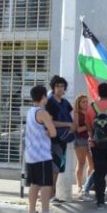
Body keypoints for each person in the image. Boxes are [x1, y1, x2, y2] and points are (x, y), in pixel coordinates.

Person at [24, 85, 63, 213]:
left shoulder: (30, 111)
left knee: (34, 184)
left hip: (30, 154)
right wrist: (48, 131)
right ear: (43, 97)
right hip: (42, 155)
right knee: (46, 184)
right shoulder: (43, 112)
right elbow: (53, 132)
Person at [86, 83, 107, 209]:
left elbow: (89, 126)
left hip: (96, 145)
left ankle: (100, 201)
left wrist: (93, 137)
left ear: (98, 92)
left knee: (99, 173)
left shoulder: (90, 107)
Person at [45, 75, 75, 203]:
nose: (60, 88)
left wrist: (72, 126)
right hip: (53, 140)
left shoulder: (65, 103)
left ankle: (54, 195)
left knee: (58, 169)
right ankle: (50, 196)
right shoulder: (50, 102)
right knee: (53, 169)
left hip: (63, 139)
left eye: (62, 86)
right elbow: (50, 122)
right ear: (53, 87)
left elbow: (70, 117)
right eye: (57, 86)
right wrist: (67, 125)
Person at [73, 94, 92, 196]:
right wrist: (88, 126)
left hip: (90, 139)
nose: (85, 104)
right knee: (81, 163)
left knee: (92, 164)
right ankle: (79, 185)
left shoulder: (90, 111)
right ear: (79, 103)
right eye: (83, 102)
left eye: (86, 101)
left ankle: (87, 185)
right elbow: (77, 129)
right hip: (80, 139)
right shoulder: (77, 113)